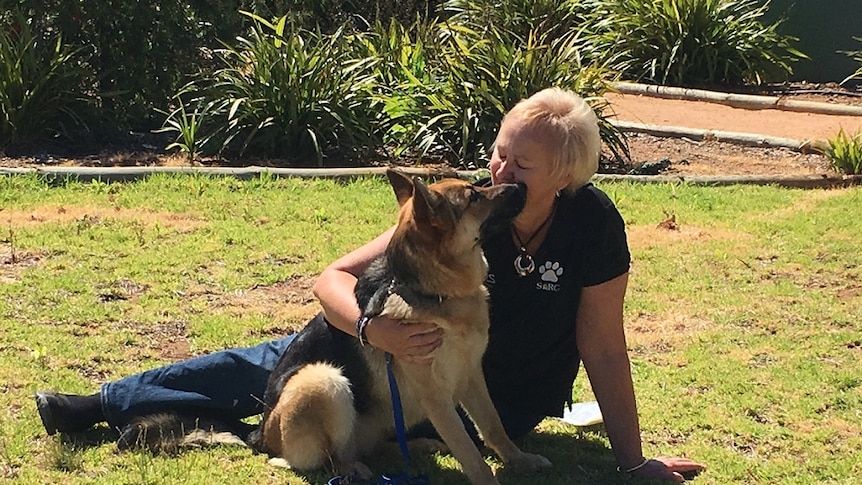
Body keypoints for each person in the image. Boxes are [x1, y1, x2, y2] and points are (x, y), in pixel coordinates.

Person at [35, 87, 706, 482]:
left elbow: (605, 346)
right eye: (499, 150)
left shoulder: (590, 226)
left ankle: (222, 424)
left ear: (566, 175)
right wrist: (369, 326)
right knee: (285, 353)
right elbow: (334, 277)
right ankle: (104, 402)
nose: (498, 170)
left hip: (488, 388)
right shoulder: (453, 213)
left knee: (310, 398)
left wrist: (632, 462)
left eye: (519, 162)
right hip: (392, 343)